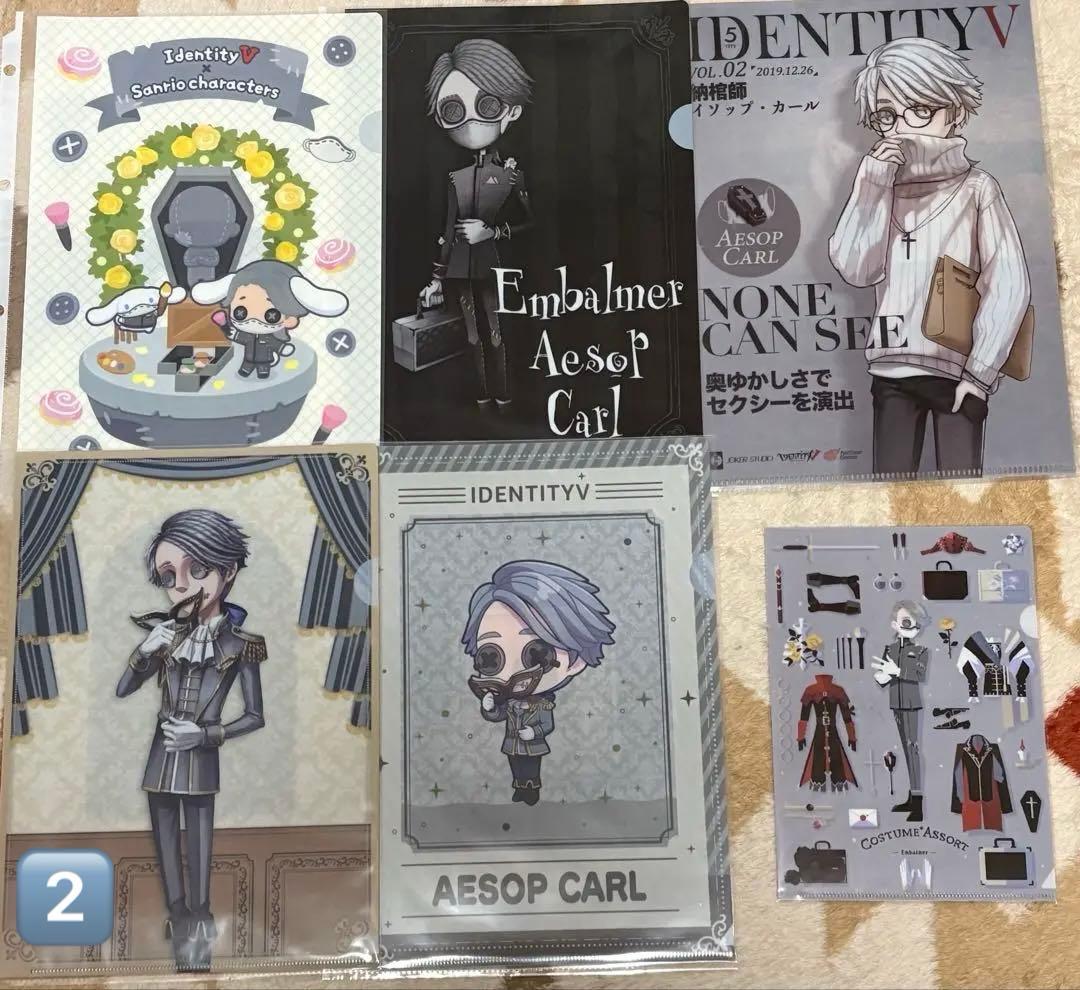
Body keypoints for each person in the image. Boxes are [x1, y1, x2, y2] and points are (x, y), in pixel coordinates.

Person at [829, 37, 1030, 475]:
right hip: (890, 371)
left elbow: (1008, 284)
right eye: (887, 115)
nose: (902, 127)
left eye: (920, 109)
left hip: (960, 372)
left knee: (962, 493)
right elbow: (857, 269)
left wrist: (980, 375)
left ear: (954, 112)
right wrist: (872, 183)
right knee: (892, 494)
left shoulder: (978, 188)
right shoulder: (879, 184)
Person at [117, 509, 266, 970]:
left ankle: (199, 943)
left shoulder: (243, 644)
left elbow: (255, 717)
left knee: (198, 860)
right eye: (169, 576)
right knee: (167, 856)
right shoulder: (164, 635)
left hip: (201, 761)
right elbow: (123, 689)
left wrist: (203, 734)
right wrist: (144, 651)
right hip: (160, 761)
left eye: (197, 569)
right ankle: (178, 927)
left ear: (229, 571)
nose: (181, 586)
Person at [418, 38, 535, 412]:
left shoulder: (512, 175)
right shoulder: (455, 178)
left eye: (487, 105)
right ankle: (484, 399)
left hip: (496, 267)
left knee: (497, 334)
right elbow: (447, 230)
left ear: (511, 111)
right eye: (453, 110)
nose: (470, 120)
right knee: (472, 337)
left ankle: (505, 397)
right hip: (459, 269)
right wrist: (436, 278)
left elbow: (532, 222)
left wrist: (493, 232)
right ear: (441, 118)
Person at [461, 560, 615, 805]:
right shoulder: (509, 699)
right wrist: (489, 706)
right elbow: (499, 715)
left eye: (536, 654)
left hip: (533, 744)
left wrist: (534, 732)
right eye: (490, 658)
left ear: (575, 662)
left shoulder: (543, 704)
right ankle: (519, 788)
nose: (512, 671)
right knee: (515, 765)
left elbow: (547, 724)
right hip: (512, 743)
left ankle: (531, 789)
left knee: (530, 767)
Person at [191, 259, 348, 379]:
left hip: (265, 361)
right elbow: (236, 336)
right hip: (247, 360)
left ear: (289, 319)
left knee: (263, 371)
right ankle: (246, 371)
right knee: (245, 370)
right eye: (241, 312)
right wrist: (225, 326)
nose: (253, 320)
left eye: (270, 314)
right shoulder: (246, 336)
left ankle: (262, 372)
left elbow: (277, 345)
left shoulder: (270, 338)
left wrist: (282, 349)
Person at [871, 601, 930, 822]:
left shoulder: (921, 651)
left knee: (913, 750)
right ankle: (912, 799)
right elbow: (881, 679)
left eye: (916, 623)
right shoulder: (890, 649)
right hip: (895, 704)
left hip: (912, 705)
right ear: (895, 624)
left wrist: (897, 671)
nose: (912, 626)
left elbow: (919, 675)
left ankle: (918, 804)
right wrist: (883, 675)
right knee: (906, 751)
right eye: (906, 621)